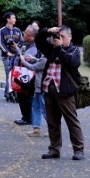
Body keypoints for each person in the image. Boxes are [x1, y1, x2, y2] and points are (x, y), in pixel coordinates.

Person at [35, 24, 86, 160]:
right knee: (52, 122)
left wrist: (59, 47)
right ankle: (54, 149)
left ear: (70, 37)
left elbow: (71, 62)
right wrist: (48, 31)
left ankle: (78, 150)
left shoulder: (74, 50)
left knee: (71, 121)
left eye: (63, 37)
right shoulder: (51, 49)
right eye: (58, 37)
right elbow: (38, 40)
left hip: (65, 91)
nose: (59, 39)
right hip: (48, 89)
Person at [9, 25, 38, 125]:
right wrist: (13, 47)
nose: (24, 35)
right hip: (20, 73)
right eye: (25, 32)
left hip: (27, 75)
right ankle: (25, 116)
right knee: (21, 95)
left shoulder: (34, 47)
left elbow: (25, 57)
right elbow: (16, 53)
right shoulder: (23, 42)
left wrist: (17, 49)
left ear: (33, 36)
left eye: (27, 34)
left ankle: (28, 118)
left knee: (26, 96)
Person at [20, 45, 47, 137]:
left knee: (44, 109)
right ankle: (36, 128)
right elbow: (40, 62)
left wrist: (22, 61)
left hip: (42, 87)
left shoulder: (46, 58)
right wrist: (34, 58)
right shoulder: (45, 56)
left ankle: (53, 128)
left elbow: (33, 67)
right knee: (35, 106)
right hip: (39, 87)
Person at [0, 11, 23, 102]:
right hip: (6, 56)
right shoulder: (2, 30)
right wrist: (7, 52)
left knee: (15, 74)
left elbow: (21, 41)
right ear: (8, 19)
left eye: (15, 18)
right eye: (13, 18)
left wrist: (17, 48)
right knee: (8, 73)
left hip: (16, 56)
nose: (14, 19)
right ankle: (8, 93)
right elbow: (0, 42)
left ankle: (12, 91)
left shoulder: (18, 30)